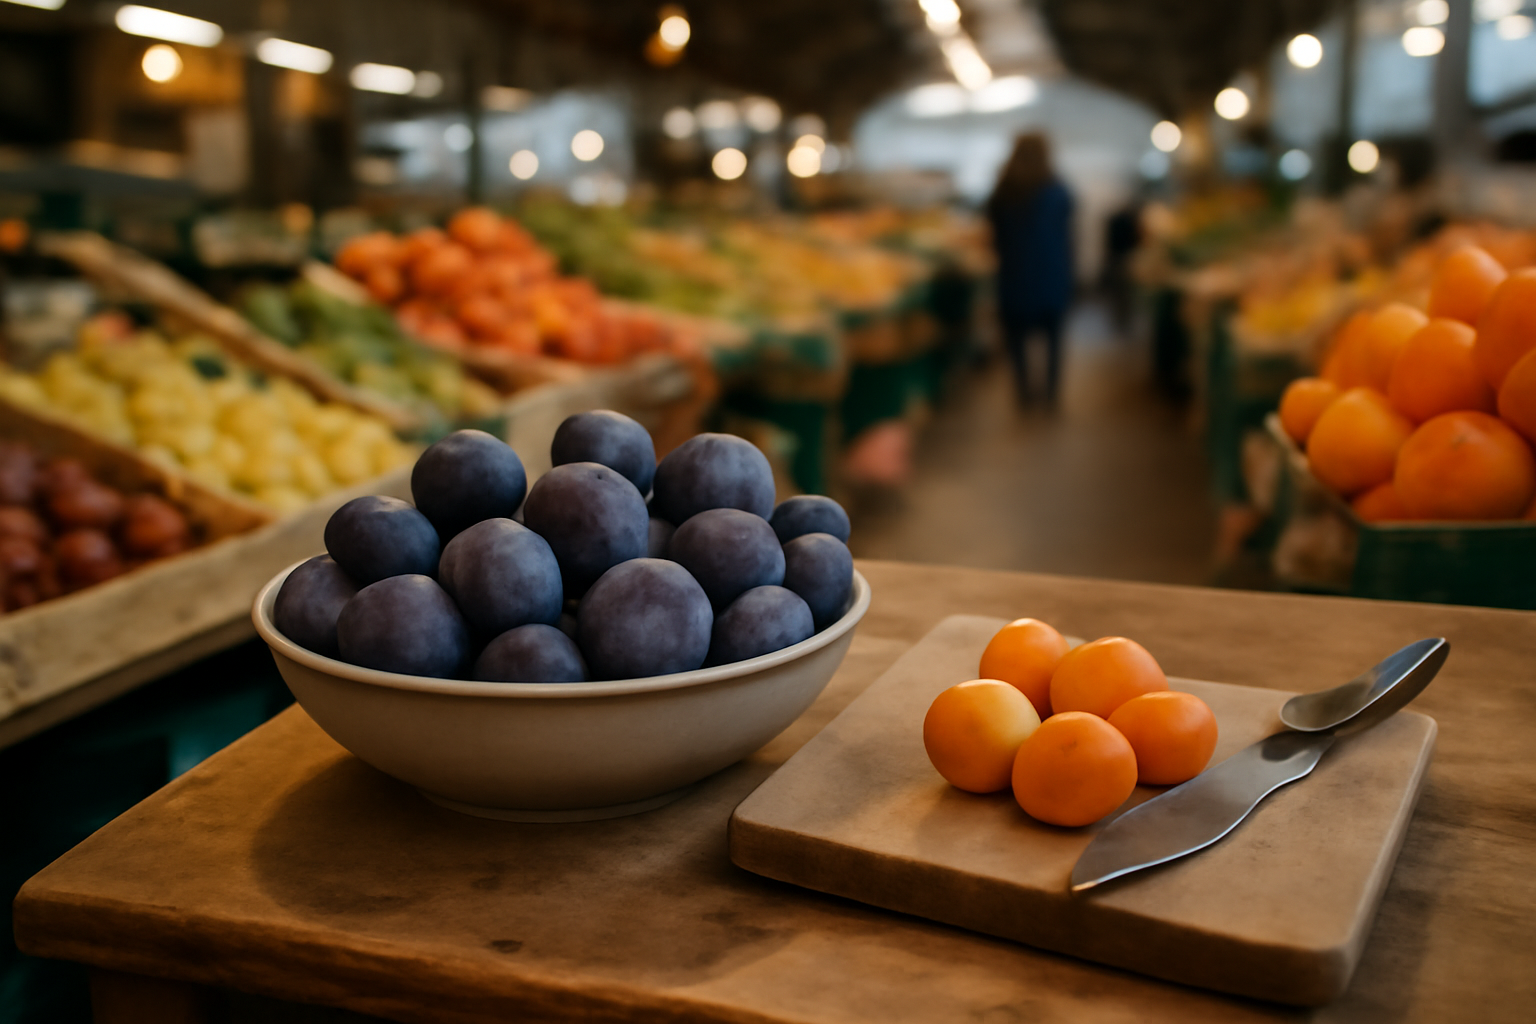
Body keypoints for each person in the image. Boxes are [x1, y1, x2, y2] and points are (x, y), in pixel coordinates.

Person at [986, 134, 1074, 405]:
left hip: (1014, 276)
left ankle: (1023, 394)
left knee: (1016, 342)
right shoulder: (1058, 190)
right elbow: (1067, 235)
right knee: (1054, 342)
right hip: (1052, 275)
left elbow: (995, 239)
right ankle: (1051, 395)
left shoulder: (1003, 191)